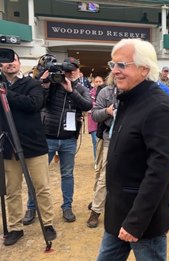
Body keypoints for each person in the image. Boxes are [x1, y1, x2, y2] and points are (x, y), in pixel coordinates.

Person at [96, 38, 169, 260]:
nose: (115, 71)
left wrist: (136, 221)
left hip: (143, 219)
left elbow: (158, 171)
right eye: (113, 65)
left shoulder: (159, 106)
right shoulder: (127, 100)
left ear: (144, 69)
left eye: (122, 65)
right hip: (118, 212)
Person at [25, 55, 92, 223]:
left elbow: (87, 106)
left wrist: (71, 91)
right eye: (67, 71)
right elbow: (38, 103)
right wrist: (45, 85)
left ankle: (67, 207)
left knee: (67, 174)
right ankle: (31, 208)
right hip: (47, 137)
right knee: (38, 175)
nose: (69, 74)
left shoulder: (81, 89)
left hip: (69, 140)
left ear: (77, 71)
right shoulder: (52, 85)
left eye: (73, 70)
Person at [0, 52, 56, 246]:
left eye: (13, 60)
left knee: (42, 187)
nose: (9, 64)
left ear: (19, 62)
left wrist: (6, 93)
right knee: (12, 190)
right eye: (5, 61)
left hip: (34, 145)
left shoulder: (32, 84)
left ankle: (47, 223)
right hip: (8, 146)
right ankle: (15, 227)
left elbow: (34, 104)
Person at [86, 73, 117, 228]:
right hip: (109, 140)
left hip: (133, 141)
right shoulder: (106, 92)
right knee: (104, 176)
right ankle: (96, 210)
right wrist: (108, 111)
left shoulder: (138, 93)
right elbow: (95, 114)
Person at [88, 75, 105, 163]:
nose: (98, 83)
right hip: (93, 120)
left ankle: (104, 160)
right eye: (96, 82)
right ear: (94, 83)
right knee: (95, 141)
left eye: (100, 81)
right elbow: (89, 106)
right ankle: (96, 160)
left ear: (103, 82)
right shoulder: (90, 93)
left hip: (104, 121)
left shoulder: (106, 93)